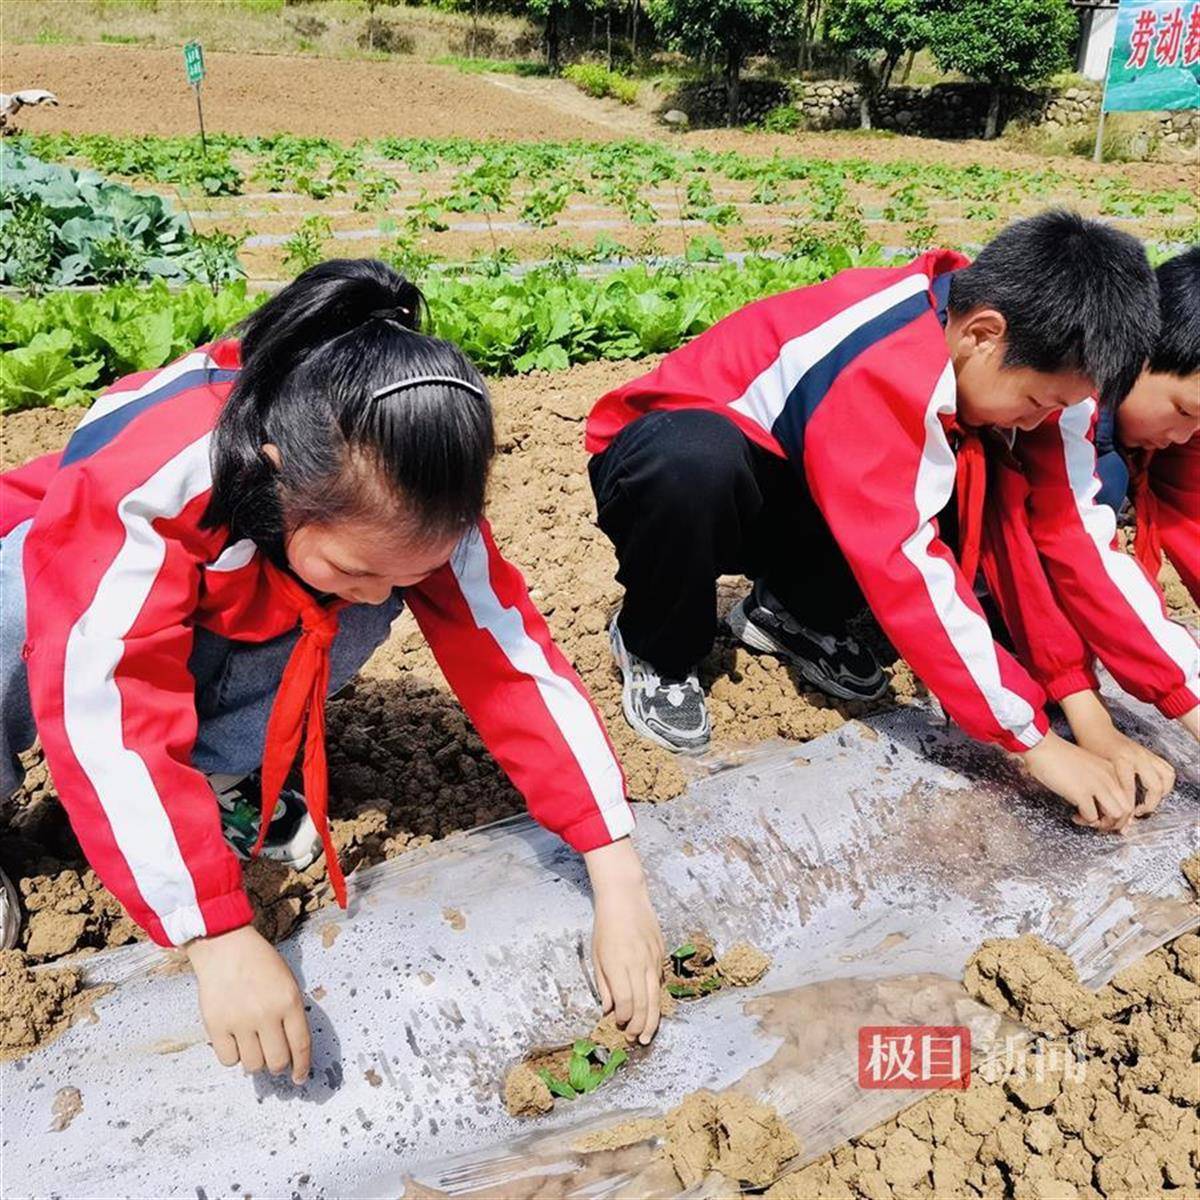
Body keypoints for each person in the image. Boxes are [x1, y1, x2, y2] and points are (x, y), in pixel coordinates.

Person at [0, 259, 664, 1073]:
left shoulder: (413, 497)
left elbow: (512, 661)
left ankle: (209, 784)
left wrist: (617, 871)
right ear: (278, 473)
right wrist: (217, 933)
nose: (384, 596)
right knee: (12, 612)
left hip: (233, 590)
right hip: (53, 576)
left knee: (345, 602)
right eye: (360, 569)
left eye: (405, 574)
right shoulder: (154, 476)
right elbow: (102, 698)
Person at [586, 210, 1197, 831]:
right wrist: (1036, 744)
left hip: (813, 488)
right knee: (692, 463)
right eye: (1040, 402)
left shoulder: (1048, 368)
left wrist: (1181, 699)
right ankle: (657, 646)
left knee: (966, 471)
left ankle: (790, 614)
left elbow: (1071, 537)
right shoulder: (881, 360)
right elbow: (903, 564)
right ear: (982, 335)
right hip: (690, 472)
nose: (1044, 420)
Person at [980, 246, 1199, 810]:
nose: (1184, 435)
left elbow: (1191, 522)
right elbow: (1049, 547)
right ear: (1138, 355)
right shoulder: (1062, 409)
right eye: (1184, 413)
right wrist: (1090, 710)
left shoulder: (1167, 419)